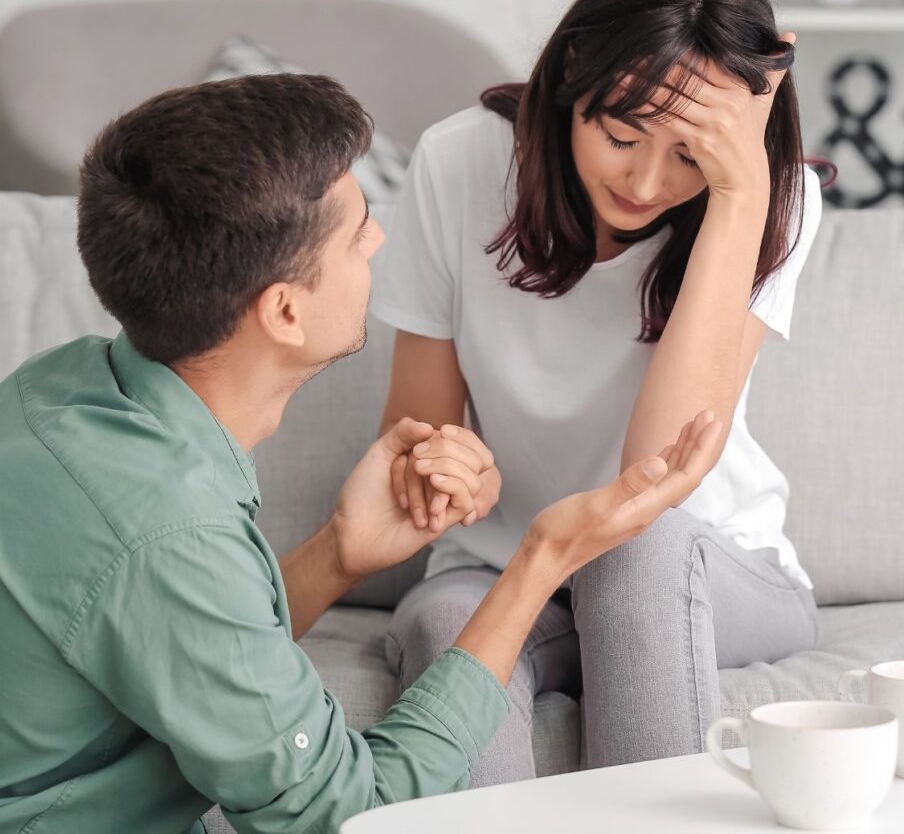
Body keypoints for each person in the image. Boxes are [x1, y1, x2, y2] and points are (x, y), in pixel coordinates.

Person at [0, 73, 721, 834]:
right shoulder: (169, 534)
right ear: (283, 309)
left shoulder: (61, 387)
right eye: (356, 230)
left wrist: (340, 554)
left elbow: (185, 638)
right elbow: (346, 817)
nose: (379, 238)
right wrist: (542, 558)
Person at [373, 0, 824, 785]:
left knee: (631, 556)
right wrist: (441, 470)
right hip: (507, 563)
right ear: (574, 70)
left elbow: (652, 479)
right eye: (623, 133)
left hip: (708, 564)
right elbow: (417, 435)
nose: (648, 184)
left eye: (691, 154)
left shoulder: (775, 203)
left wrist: (740, 196)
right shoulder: (457, 161)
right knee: (448, 626)